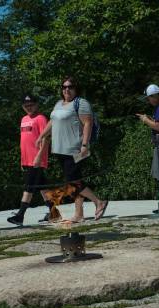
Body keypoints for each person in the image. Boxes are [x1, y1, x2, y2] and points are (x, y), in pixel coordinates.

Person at [35, 76, 108, 223]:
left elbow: (87, 123)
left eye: (70, 87)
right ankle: (79, 214)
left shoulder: (80, 103)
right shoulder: (58, 104)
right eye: (64, 87)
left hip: (74, 148)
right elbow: (52, 121)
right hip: (60, 149)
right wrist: (42, 135)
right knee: (74, 182)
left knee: (74, 182)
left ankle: (98, 202)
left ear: (76, 89)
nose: (67, 89)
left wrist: (85, 145)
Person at [7, 94, 59, 226]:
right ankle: (54, 213)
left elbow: (46, 138)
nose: (29, 108)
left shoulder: (41, 118)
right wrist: (22, 160)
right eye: (26, 106)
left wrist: (39, 156)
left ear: (36, 104)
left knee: (28, 187)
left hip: (37, 159)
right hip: (27, 159)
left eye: (31, 105)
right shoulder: (24, 119)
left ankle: (20, 215)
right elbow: (23, 141)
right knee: (42, 187)